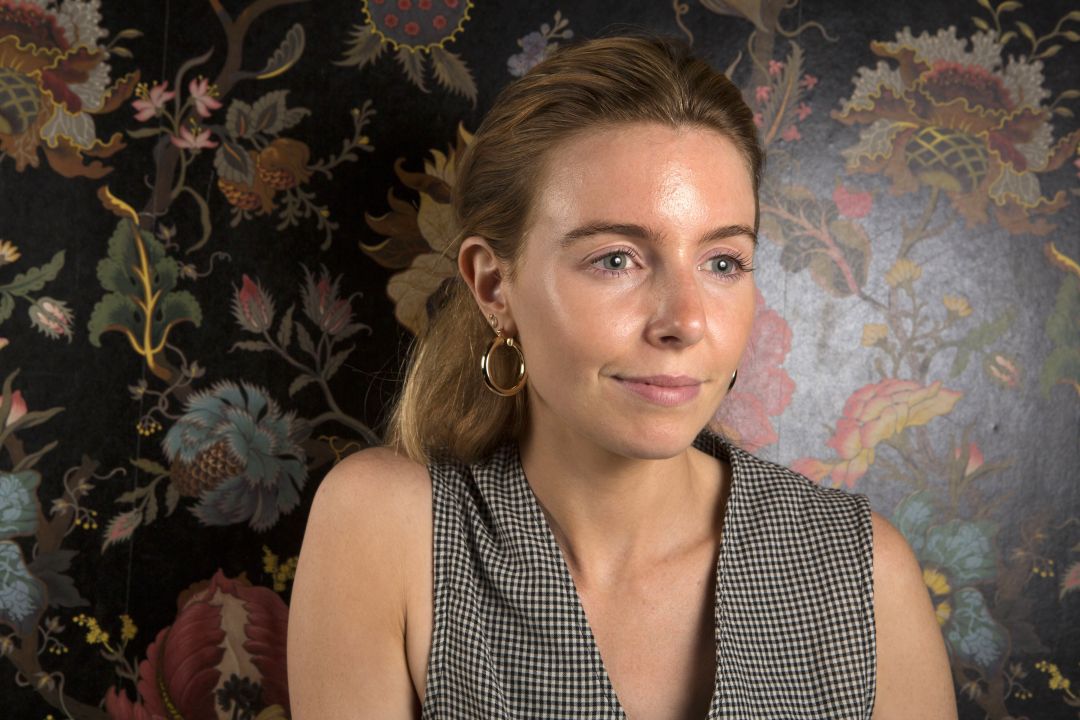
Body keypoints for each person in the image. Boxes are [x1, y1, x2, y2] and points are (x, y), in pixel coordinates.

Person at [287, 36, 957, 719]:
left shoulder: (861, 573)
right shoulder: (390, 530)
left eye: (723, 262)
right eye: (616, 260)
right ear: (494, 286)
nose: (685, 321)